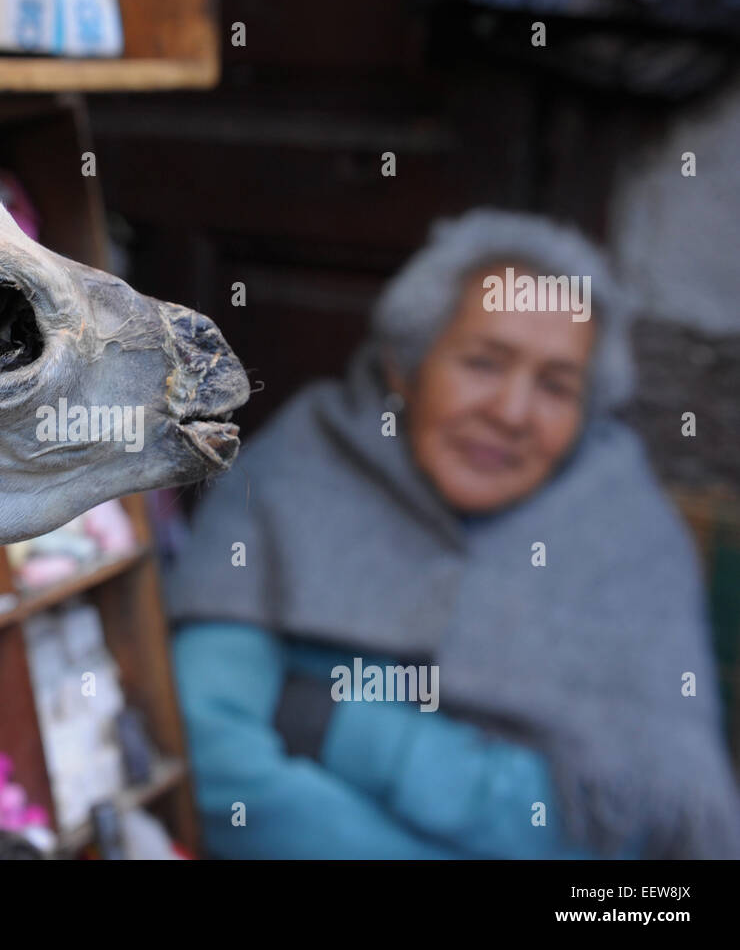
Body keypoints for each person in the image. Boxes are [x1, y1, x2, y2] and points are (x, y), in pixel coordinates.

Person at [166, 208, 740, 859]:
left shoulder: (629, 535)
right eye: (484, 363)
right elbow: (213, 754)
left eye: (556, 386)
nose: (512, 412)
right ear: (403, 367)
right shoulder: (298, 469)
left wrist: (343, 727)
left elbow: (639, 827)